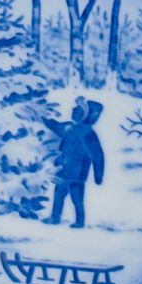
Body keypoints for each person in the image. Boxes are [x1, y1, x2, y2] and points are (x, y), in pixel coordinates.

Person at [42, 98, 106, 229]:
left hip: (74, 174)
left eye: (78, 109)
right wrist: (42, 117)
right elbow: (55, 126)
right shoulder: (73, 129)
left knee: (73, 198)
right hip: (69, 172)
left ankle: (74, 221)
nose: (73, 109)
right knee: (63, 197)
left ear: (84, 114)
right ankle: (59, 218)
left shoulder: (85, 133)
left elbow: (97, 155)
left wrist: (98, 175)